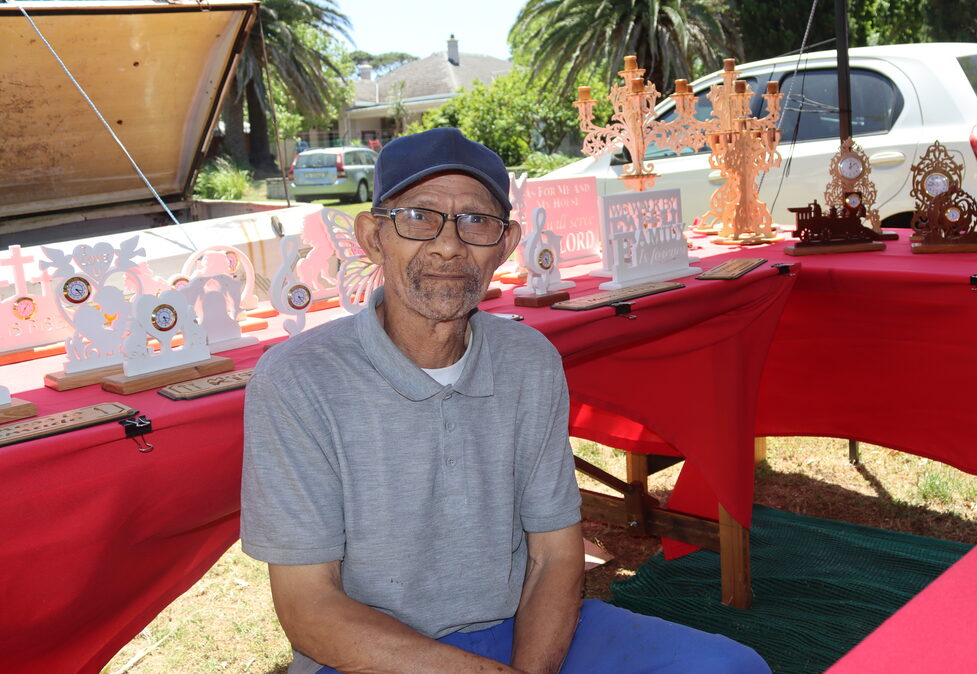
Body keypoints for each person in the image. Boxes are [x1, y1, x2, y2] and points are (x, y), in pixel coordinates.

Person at [241, 127, 770, 674]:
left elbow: (554, 554)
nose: (449, 245)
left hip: (518, 625)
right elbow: (310, 608)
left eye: (476, 221)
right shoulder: (297, 379)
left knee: (732, 668)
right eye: (418, 217)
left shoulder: (528, 360)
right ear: (373, 238)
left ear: (507, 243)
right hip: (369, 652)